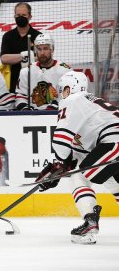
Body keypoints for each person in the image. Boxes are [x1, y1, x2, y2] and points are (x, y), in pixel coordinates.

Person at [35, 71, 119, 245]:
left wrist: (58, 165)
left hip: (115, 142)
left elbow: (60, 139)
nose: (60, 94)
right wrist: (61, 168)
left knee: (84, 173)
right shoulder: (90, 105)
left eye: (61, 89)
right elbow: (78, 155)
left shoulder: (73, 100)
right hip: (111, 143)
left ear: (68, 88)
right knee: (82, 172)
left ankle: (90, 222)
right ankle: (90, 220)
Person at [15, 33, 71, 110]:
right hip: (32, 115)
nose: (42, 53)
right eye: (39, 49)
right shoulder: (26, 71)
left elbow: (69, 95)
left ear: (52, 49)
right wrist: (25, 108)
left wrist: (55, 106)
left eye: (45, 48)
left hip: (57, 115)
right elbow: (21, 95)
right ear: (35, 50)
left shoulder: (65, 71)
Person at [0, 2, 41, 93]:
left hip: (34, 83)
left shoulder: (38, 36)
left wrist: (16, 58)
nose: (20, 17)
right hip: (12, 83)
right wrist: (27, 55)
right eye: (18, 15)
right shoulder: (8, 36)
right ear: (14, 16)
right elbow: (4, 58)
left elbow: (41, 57)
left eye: (23, 15)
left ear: (30, 16)